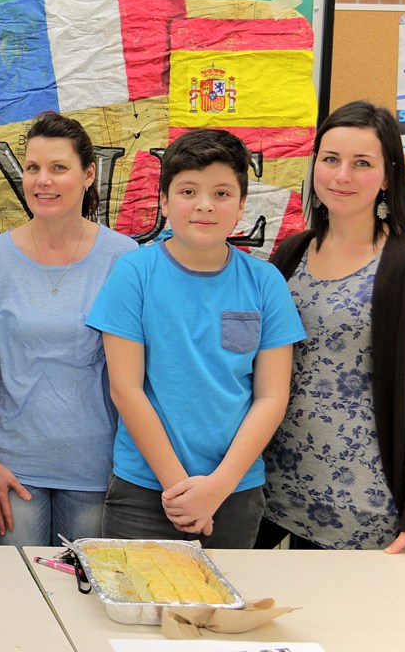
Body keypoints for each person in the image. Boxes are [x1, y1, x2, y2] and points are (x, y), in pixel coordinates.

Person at [86, 128, 306, 548]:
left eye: (222, 194)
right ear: (165, 201)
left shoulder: (265, 282)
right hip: (145, 489)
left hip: (235, 490)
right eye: (188, 191)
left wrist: (216, 488)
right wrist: (180, 490)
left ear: (242, 205)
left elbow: (271, 397)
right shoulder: (135, 273)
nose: (204, 205)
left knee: (220, 613)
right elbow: (126, 388)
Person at [261, 101, 405, 560]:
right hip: (274, 488)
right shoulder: (293, 252)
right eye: (331, 159)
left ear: (388, 175)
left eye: (362, 164)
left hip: (363, 502)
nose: (342, 176)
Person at [0, 112, 137, 546]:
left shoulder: (124, 258)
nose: (42, 180)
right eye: (33, 168)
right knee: (18, 595)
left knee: (82, 596)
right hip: (13, 467)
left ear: (88, 174)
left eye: (58, 168)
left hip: (96, 469)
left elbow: (137, 378)